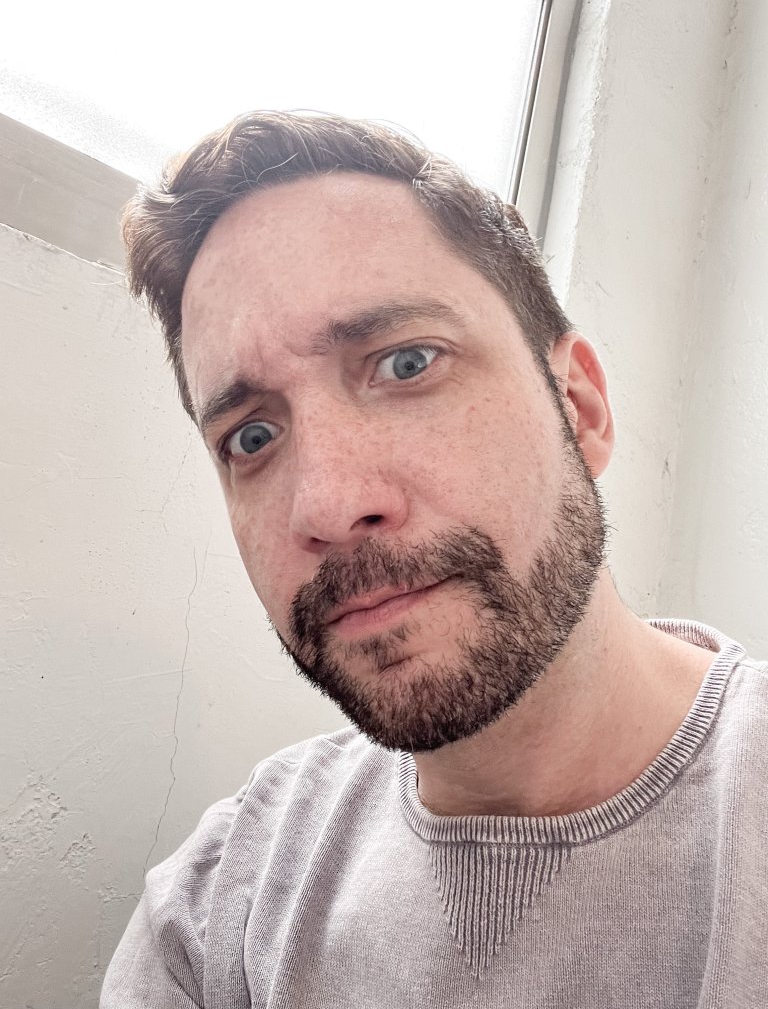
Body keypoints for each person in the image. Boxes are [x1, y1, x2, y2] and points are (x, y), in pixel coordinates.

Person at [101, 112, 767, 1008]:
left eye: (406, 363)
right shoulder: (220, 909)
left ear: (579, 409)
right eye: (252, 434)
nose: (328, 505)